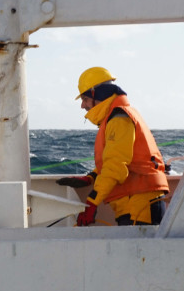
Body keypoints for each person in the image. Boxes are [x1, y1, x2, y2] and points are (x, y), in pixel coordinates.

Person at [57, 67, 169, 227]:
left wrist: (92, 202)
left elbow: (116, 166)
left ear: (96, 95)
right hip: (136, 202)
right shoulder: (117, 117)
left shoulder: (119, 119)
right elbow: (121, 159)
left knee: (139, 253)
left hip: (139, 204)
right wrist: (92, 177)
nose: (82, 105)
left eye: (85, 99)